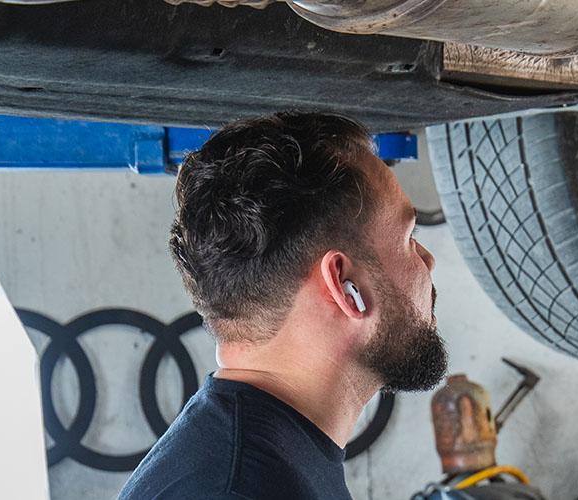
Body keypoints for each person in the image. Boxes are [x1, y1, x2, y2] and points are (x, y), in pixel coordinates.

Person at [119, 111, 448, 499]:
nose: (428, 261)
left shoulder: (262, 459)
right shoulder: (237, 489)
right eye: (408, 238)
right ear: (345, 287)